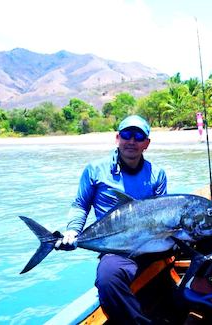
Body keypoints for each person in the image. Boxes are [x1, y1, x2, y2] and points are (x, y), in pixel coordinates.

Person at [54, 115, 169, 324]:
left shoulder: (157, 174)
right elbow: (80, 205)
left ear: (147, 143)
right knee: (108, 280)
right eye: (126, 134)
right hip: (117, 249)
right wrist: (72, 231)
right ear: (117, 138)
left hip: (152, 245)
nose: (131, 141)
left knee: (205, 240)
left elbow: (161, 214)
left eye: (138, 136)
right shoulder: (95, 170)